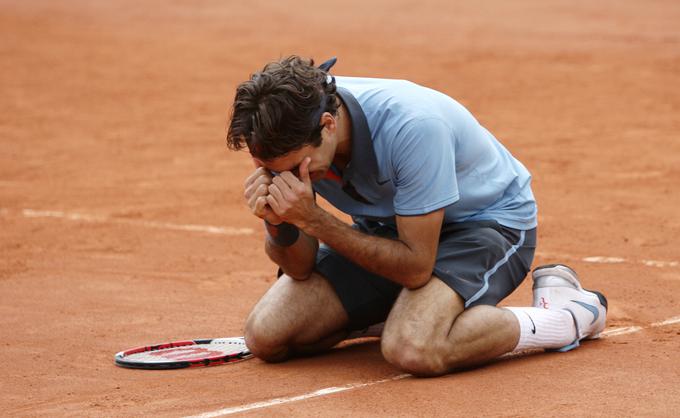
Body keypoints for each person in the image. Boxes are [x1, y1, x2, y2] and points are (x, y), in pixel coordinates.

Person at [226, 56, 607, 376]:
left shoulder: (413, 125)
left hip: (485, 226)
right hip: (389, 229)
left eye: (293, 169)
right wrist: (279, 223)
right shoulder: (290, 140)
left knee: (413, 348)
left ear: (328, 126)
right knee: (268, 335)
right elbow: (300, 268)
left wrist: (314, 220)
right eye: (271, 170)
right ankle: (405, 311)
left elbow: (414, 267)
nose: (286, 178)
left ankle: (567, 315)